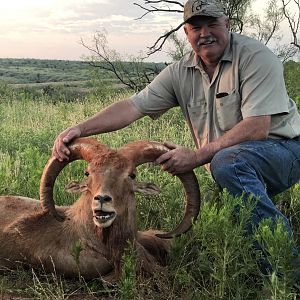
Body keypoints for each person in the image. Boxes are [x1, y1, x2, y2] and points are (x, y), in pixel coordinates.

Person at [53, 0, 300, 274]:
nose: (204, 33)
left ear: (227, 24)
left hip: (285, 149)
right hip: (235, 162)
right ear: (186, 32)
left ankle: (285, 272)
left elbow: (257, 127)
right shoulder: (179, 72)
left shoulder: (256, 57)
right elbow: (133, 106)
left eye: (212, 24)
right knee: (217, 223)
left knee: (228, 165)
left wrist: (195, 157)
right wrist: (80, 129)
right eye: (196, 27)